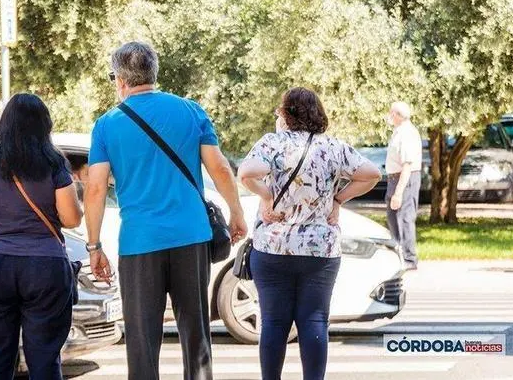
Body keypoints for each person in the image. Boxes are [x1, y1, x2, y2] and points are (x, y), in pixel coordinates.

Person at [84, 41, 247, 380]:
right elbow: (218, 168)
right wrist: (236, 213)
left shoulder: (107, 125)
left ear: (120, 79)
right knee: (196, 336)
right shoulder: (191, 111)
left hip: (140, 244)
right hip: (191, 239)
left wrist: (94, 245)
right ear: (154, 74)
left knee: (142, 342)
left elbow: (96, 188)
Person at [238, 87, 381, 380]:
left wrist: (267, 197)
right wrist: (338, 199)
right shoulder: (334, 147)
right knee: (314, 320)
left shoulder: (273, 144)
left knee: (275, 322)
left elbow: (246, 172)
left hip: (273, 248)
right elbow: (372, 174)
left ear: (286, 114)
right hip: (320, 249)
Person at [0, 93, 82, 380]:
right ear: (44, 125)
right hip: (44, 267)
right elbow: (71, 218)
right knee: (44, 360)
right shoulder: (53, 162)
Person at [385, 100, 422, 270]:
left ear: (398, 115)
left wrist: (398, 192)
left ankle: (409, 258)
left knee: (405, 217)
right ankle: (399, 255)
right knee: (393, 217)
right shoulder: (399, 131)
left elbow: (407, 165)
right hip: (396, 178)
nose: (390, 116)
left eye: (392, 113)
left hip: (404, 179)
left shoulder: (407, 133)